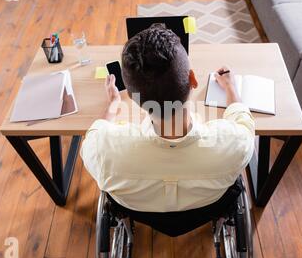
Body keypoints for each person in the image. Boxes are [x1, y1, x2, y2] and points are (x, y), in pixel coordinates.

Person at [80, 24, 255, 212]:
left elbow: (97, 131)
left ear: (131, 96)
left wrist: (114, 103)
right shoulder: (235, 142)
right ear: (193, 80)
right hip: (207, 208)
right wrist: (230, 87)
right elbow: (242, 120)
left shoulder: (100, 150)